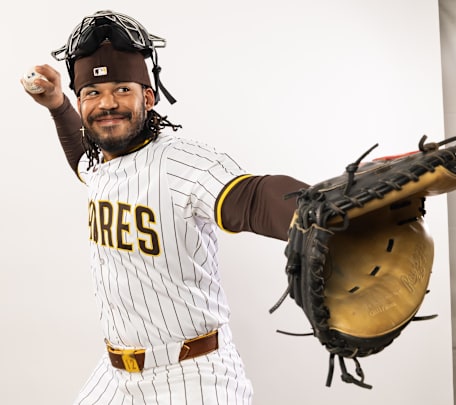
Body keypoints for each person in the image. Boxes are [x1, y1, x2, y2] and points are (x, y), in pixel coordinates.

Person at [22, 10, 308, 404]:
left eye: (123, 89)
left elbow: (252, 197)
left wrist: (324, 210)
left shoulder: (181, 163)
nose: (107, 104)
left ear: (149, 97)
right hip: (115, 377)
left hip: (193, 375)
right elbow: (80, 157)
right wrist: (57, 104)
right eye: (93, 93)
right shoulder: (100, 162)